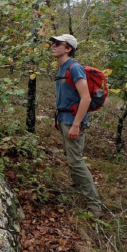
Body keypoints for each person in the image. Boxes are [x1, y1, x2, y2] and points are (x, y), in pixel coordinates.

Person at [50, 34, 102, 218]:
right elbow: (65, 96)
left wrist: (76, 125)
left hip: (73, 121)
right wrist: (58, 118)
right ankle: (79, 188)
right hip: (64, 119)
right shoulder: (61, 68)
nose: (53, 46)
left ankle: (94, 206)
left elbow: (86, 98)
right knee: (71, 158)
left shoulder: (75, 68)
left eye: (58, 44)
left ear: (68, 48)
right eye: (53, 43)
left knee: (76, 161)